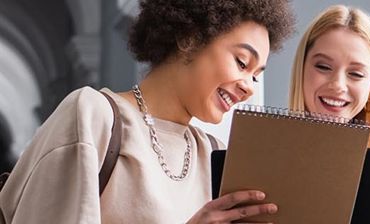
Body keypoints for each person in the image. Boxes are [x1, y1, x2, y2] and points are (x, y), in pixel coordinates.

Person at [0, 0, 294, 223]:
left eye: (256, 75)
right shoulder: (94, 116)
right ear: (189, 38)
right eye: (242, 63)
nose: (249, 87)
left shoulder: (213, 154)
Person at [286, 5, 370, 224]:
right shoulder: (268, 146)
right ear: (301, 70)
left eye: (356, 74)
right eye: (323, 67)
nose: (338, 85)